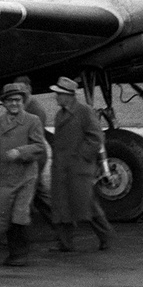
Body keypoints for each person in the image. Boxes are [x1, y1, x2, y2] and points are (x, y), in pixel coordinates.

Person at [47, 76, 116, 252]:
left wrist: (82, 157)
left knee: (86, 205)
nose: (56, 97)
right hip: (62, 168)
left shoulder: (84, 111)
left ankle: (106, 236)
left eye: (59, 94)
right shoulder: (60, 114)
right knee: (62, 206)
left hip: (78, 169)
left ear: (68, 95)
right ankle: (65, 243)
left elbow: (96, 137)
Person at [0, 82, 48, 267]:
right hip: (6, 177)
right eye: (10, 100)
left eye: (18, 100)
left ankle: (20, 254)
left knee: (19, 214)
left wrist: (20, 152)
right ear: (4, 103)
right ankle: (13, 253)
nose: (14, 104)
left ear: (23, 101)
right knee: (4, 216)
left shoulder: (32, 120)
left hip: (26, 176)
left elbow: (39, 147)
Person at [14, 75, 56, 230]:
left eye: (21, 88)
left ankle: (18, 235)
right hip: (27, 156)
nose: (18, 92)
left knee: (25, 196)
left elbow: (32, 139)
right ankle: (62, 227)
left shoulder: (35, 110)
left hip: (34, 157)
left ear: (29, 89)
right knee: (38, 196)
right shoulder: (22, 107)